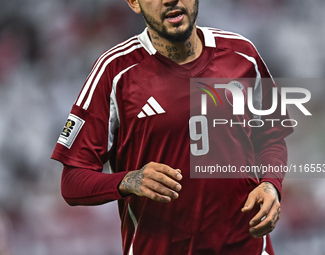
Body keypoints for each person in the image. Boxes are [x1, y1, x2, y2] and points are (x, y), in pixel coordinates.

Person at [51, 0, 293, 254]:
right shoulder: (115, 71)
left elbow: (272, 137)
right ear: (134, 2)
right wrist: (129, 180)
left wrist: (271, 184)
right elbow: (72, 182)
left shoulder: (243, 55)